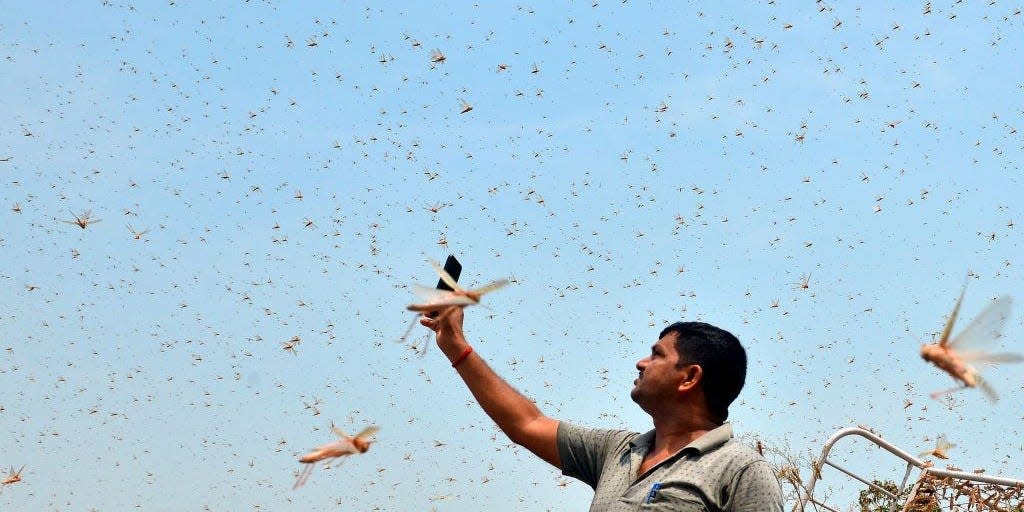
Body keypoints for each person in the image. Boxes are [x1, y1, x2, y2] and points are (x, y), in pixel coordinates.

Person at [419, 306, 784, 511]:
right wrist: (456, 346)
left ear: (689, 377)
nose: (641, 362)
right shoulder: (617, 451)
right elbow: (526, 423)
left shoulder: (740, 469)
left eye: (657, 354)